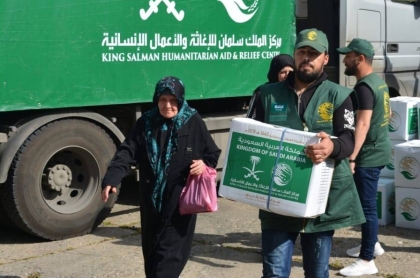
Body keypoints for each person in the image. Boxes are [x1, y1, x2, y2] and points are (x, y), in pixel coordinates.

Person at [247, 28, 365, 278]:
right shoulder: (266, 94)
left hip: (320, 203)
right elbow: (249, 138)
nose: (307, 58)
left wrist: (332, 147)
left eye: (314, 53)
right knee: (274, 273)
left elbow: (349, 139)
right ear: (294, 54)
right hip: (278, 200)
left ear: (325, 58)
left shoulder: (339, 95)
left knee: (317, 272)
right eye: (302, 52)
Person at [101, 76, 222, 278]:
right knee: (153, 256)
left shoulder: (192, 121)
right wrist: (112, 178)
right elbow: (127, 151)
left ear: (181, 100)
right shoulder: (146, 122)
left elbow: (212, 153)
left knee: (169, 259)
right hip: (152, 202)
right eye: (163, 100)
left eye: (173, 100)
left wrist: (203, 164)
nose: (168, 105)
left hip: (180, 203)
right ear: (156, 100)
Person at [336, 39, 390, 277]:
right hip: (379, 149)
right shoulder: (379, 82)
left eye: (348, 56)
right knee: (365, 204)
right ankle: (373, 243)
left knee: (367, 207)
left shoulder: (364, 87)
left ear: (359, 58)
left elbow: (363, 123)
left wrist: (352, 157)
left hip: (368, 154)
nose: (344, 60)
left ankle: (367, 259)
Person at [247, 54, 294, 118]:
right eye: (283, 72)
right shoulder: (262, 92)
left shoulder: (298, 92)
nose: (287, 75)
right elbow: (251, 119)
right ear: (275, 73)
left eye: (290, 71)